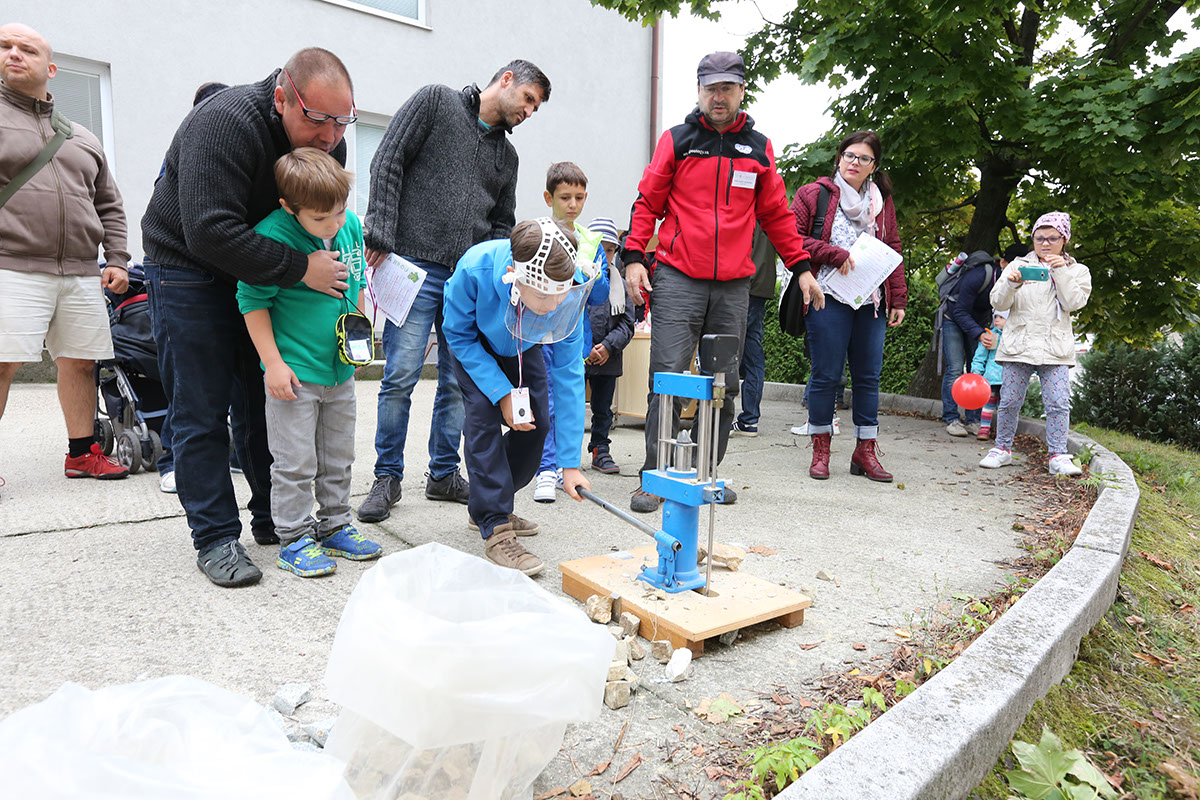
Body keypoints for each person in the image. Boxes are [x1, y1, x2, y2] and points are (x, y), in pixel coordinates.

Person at [142, 47, 356, 587]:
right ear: (282, 97)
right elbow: (209, 231)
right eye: (318, 119)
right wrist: (300, 270)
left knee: (267, 399)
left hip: (264, 272)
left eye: (342, 121)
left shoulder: (325, 139)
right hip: (188, 268)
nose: (331, 137)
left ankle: (273, 520)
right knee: (201, 407)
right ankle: (215, 537)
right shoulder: (224, 123)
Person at [623, 51, 823, 513]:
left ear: (741, 91)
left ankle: (705, 473)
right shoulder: (677, 141)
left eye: (727, 88)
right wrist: (634, 257)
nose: (718, 96)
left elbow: (776, 215)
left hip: (734, 286)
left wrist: (802, 267)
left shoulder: (758, 149)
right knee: (667, 380)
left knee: (724, 384)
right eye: (710, 88)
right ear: (699, 91)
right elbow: (647, 202)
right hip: (678, 278)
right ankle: (656, 476)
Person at [359, 59, 551, 524]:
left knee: (455, 382)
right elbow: (388, 159)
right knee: (400, 374)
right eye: (528, 99)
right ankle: (387, 477)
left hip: (467, 281)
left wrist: (498, 283)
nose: (528, 112)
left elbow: (502, 225)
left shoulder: (508, 158)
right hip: (414, 266)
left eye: (535, 109)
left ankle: (443, 474)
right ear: (507, 80)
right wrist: (379, 229)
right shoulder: (436, 103)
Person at [237, 148, 382, 578]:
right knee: (295, 461)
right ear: (288, 206)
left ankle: (336, 524)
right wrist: (273, 364)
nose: (334, 224)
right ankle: (294, 537)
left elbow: (357, 282)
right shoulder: (271, 236)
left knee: (339, 454)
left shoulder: (348, 225)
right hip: (295, 375)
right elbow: (251, 302)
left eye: (339, 211)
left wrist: (357, 340)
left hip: (339, 370)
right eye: (320, 218)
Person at [0, 22, 131, 486]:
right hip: (11, 264)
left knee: (80, 361)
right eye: (5, 46)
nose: (14, 54)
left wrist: (117, 258)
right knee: (3, 362)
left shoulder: (81, 136)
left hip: (79, 271)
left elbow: (109, 204)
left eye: (27, 49)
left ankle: (82, 454)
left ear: (50, 68)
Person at [442, 218, 595, 575]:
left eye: (560, 293)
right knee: (482, 422)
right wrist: (501, 393)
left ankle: (488, 502)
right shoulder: (475, 269)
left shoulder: (565, 292)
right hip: (474, 347)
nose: (553, 305)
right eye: (542, 295)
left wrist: (569, 465)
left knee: (537, 424)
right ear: (514, 275)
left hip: (523, 347)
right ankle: (495, 524)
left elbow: (570, 376)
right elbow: (458, 335)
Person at [791, 130, 907, 482]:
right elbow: (791, 238)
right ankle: (821, 449)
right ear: (839, 158)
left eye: (864, 158)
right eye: (850, 155)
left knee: (868, 377)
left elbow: (892, 247)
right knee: (826, 375)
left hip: (871, 301)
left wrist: (898, 296)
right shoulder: (814, 194)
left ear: (874, 166)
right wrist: (833, 253)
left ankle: (865, 452)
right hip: (827, 296)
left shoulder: (881, 202)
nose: (855, 162)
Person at [152, 80, 230, 495]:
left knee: (214, 386)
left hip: (227, 273)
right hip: (182, 271)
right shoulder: (187, 153)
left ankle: (228, 454)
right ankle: (171, 459)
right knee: (189, 387)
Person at [980, 212, 1092, 475]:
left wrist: (1060, 272)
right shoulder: (1018, 264)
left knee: (1058, 403)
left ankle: (1058, 456)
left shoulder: (1077, 270)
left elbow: (1074, 303)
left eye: (1052, 238)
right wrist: (1011, 284)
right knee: (1009, 401)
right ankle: (1002, 449)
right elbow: (997, 302)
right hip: (1019, 345)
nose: (1045, 243)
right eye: (1039, 238)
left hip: (1055, 348)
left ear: (1064, 239)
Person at [532, 161, 610, 502]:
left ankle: (567, 466)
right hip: (538, 332)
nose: (573, 205)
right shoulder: (537, 234)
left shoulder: (592, 241)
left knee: (571, 401)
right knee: (544, 400)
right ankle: (545, 469)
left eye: (579, 197)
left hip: (573, 333)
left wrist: (592, 274)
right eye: (565, 198)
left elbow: (601, 297)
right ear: (549, 198)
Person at [584, 217, 635, 473]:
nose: (604, 255)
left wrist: (607, 346)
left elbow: (627, 323)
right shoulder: (577, 279)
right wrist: (586, 347)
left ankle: (600, 449)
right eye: (599, 248)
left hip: (608, 358)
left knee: (603, 409)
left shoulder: (620, 285)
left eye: (610, 250)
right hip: (578, 355)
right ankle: (562, 455)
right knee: (567, 406)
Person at [941, 250, 1000, 437]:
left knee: (976, 370)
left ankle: (973, 420)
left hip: (978, 323)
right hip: (952, 318)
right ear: (1004, 263)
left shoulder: (1010, 284)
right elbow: (960, 311)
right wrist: (980, 334)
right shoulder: (979, 276)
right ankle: (952, 419)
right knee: (955, 368)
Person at [731, 226, 777, 437]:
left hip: (743, 282)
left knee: (730, 348)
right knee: (752, 352)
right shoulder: (770, 215)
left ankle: (720, 415)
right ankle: (749, 419)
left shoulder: (748, 211)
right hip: (761, 285)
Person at [971, 310, 1008, 441]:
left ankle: (1003, 433)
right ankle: (984, 428)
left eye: (1001, 317)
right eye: (995, 317)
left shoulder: (1015, 337)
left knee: (1006, 406)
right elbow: (980, 356)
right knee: (988, 404)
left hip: (1009, 379)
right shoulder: (990, 336)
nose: (996, 320)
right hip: (991, 378)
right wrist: (976, 373)